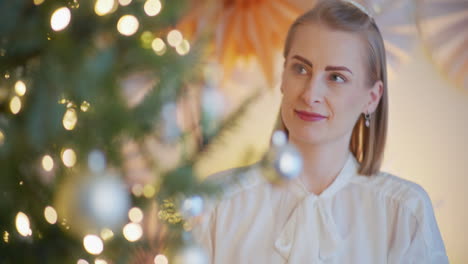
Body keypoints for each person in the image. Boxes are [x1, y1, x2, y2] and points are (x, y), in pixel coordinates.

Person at [191, 0, 449, 263]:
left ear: (372, 97)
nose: (310, 94)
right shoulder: (218, 201)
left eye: (336, 77)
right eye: (301, 69)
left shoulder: (404, 211)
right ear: (283, 78)